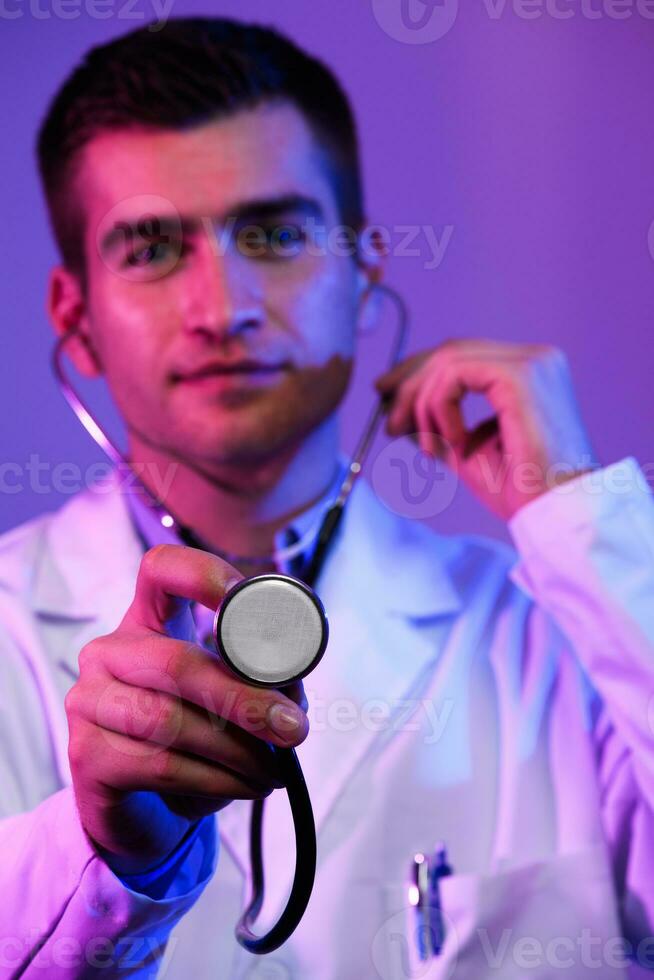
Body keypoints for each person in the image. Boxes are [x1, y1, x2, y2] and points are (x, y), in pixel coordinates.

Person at [1, 15, 653, 980]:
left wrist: (583, 518)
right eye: (150, 249)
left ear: (364, 269)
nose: (223, 309)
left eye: (273, 233)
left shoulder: (553, 629)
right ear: (75, 318)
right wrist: (103, 861)